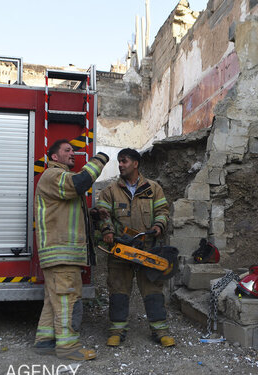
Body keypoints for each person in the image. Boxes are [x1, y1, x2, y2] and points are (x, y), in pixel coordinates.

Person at [32, 140, 109, 361]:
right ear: (54, 157)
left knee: (54, 299)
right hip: (61, 254)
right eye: (67, 150)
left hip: (60, 255)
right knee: (68, 300)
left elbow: (67, 211)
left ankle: (45, 341)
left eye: (72, 150)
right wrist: (100, 159)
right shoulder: (53, 176)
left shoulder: (58, 179)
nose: (72, 153)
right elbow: (80, 182)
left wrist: (93, 216)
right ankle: (68, 347)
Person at [95, 148, 175, 348]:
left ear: (136, 163)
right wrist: (107, 230)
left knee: (153, 290)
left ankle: (160, 331)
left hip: (147, 250)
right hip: (120, 250)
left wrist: (159, 225)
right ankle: (116, 330)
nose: (120, 165)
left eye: (124, 161)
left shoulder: (153, 188)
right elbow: (103, 214)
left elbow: (163, 211)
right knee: (118, 290)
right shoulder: (110, 191)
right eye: (119, 162)